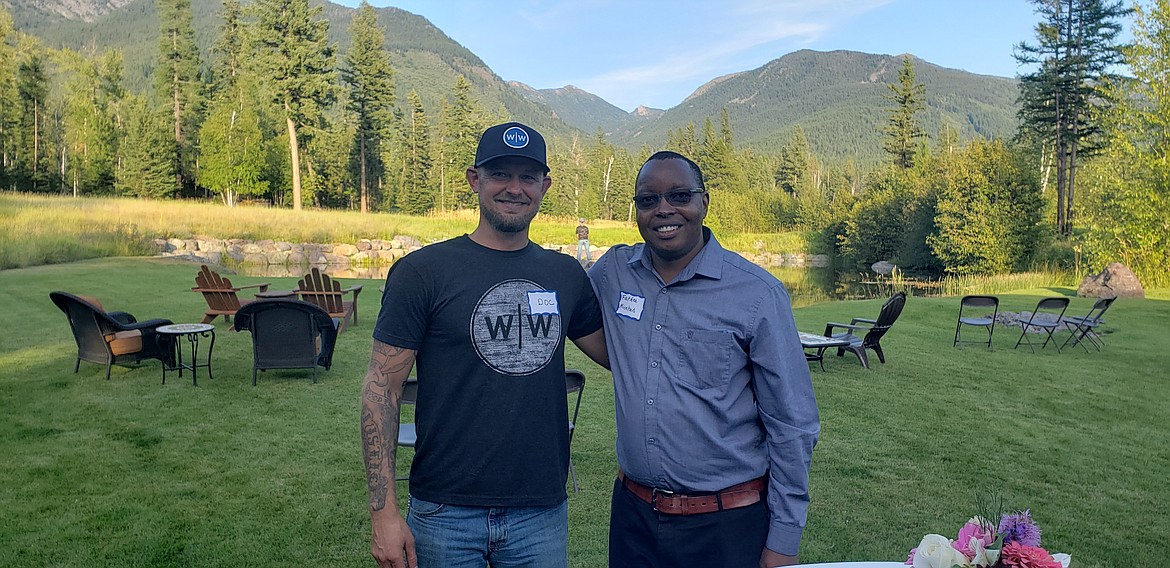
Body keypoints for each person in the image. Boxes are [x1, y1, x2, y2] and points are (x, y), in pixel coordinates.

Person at [361, 121, 609, 568]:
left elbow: (621, 356)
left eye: (528, 177)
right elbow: (382, 389)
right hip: (444, 511)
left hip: (540, 513)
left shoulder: (565, 276)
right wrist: (383, 512)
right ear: (475, 180)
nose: (515, 188)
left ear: (544, 186)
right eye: (500, 174)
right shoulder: (423, 272)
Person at [588, 151, 820, 568]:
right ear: (636, 210)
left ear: (704, 202)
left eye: (679, 195)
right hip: (633, 518)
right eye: (648, 200)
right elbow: (559, 299)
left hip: (727, 525)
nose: (664, 210)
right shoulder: (612, 273)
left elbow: (793, 424)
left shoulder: (757, 294)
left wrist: (783, 539)